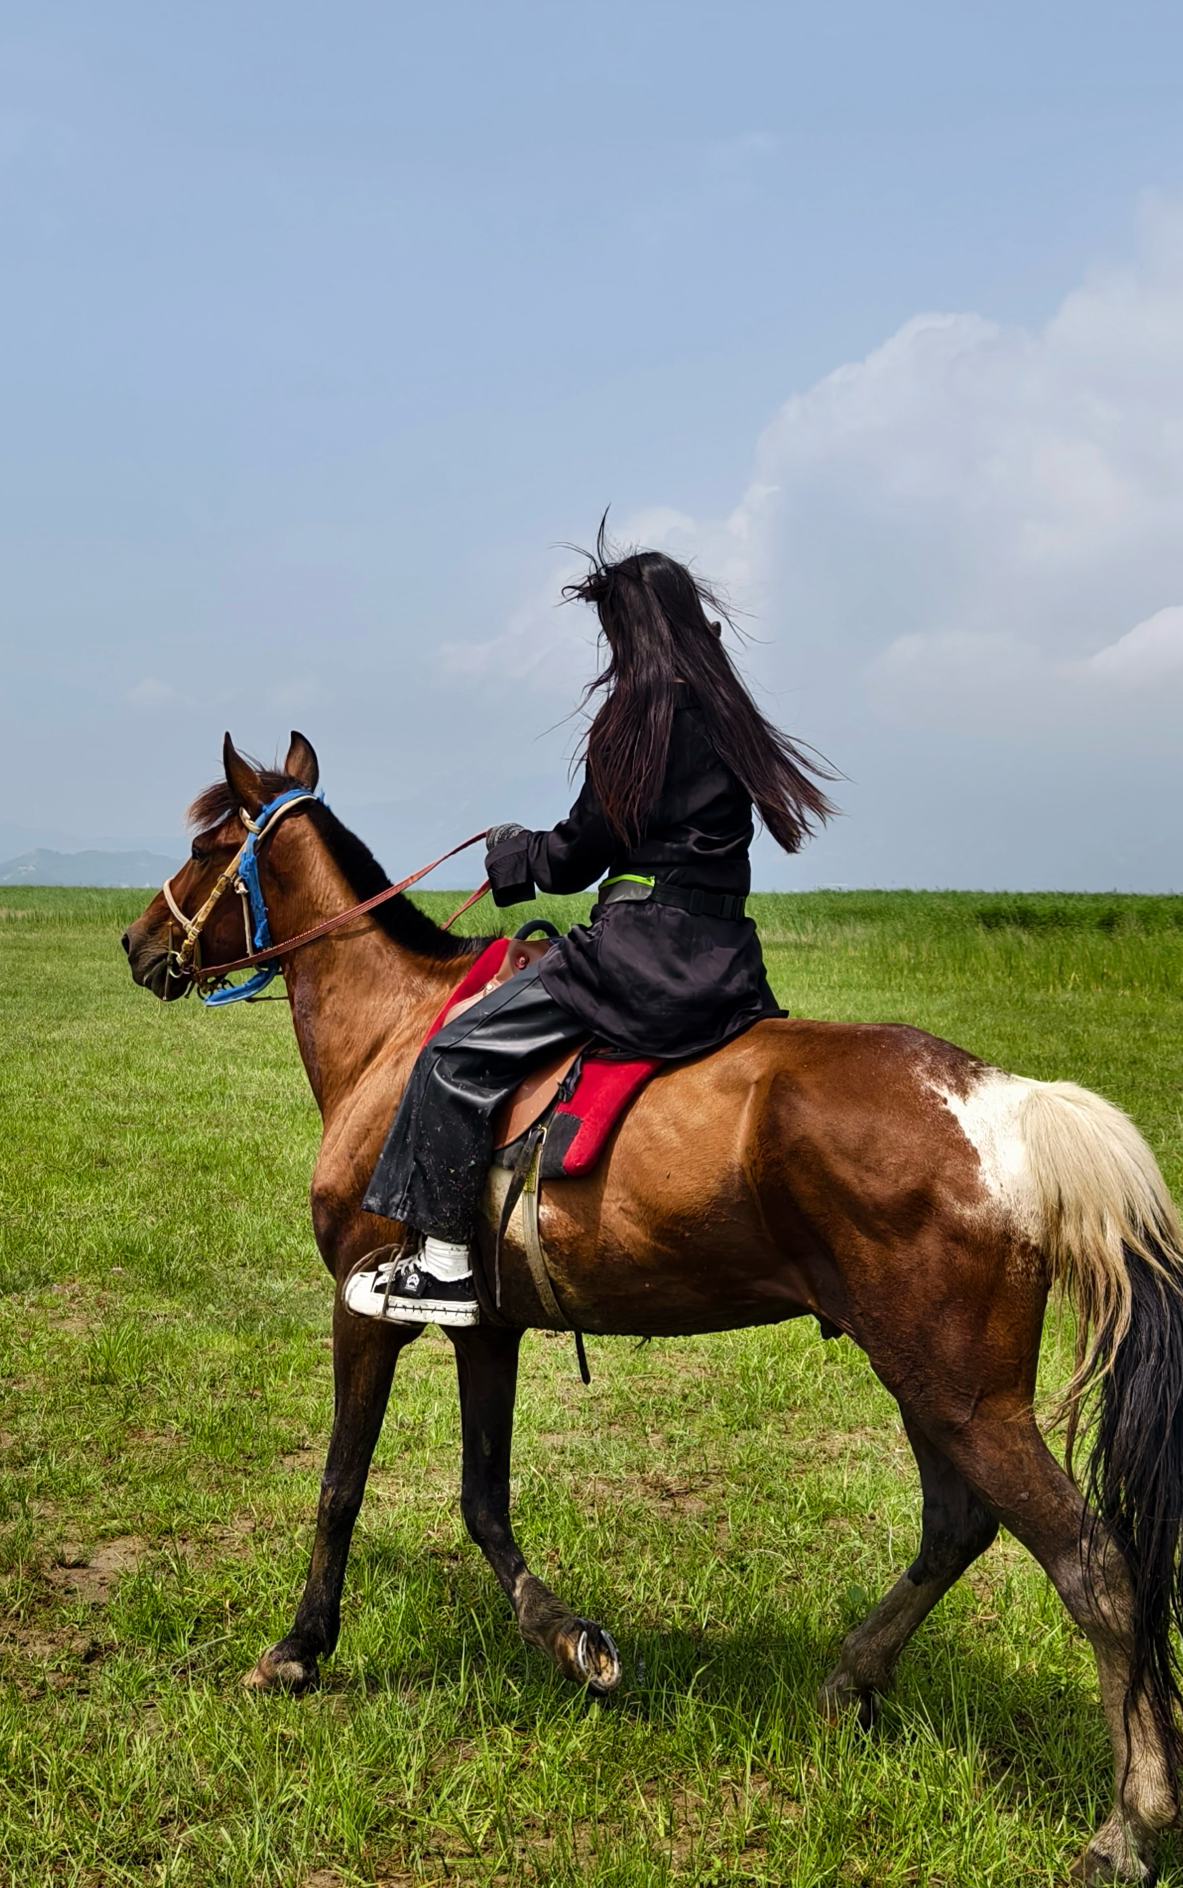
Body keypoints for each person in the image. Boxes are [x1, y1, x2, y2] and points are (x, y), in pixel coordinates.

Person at [347, 537, 837, 1328]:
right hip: (728, 968)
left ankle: (441, 1267)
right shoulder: (724, 711)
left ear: (631, 632)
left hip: (639, 958)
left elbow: (577, 856)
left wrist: (516, 857)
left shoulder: (639, 716)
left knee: (452, 1055)